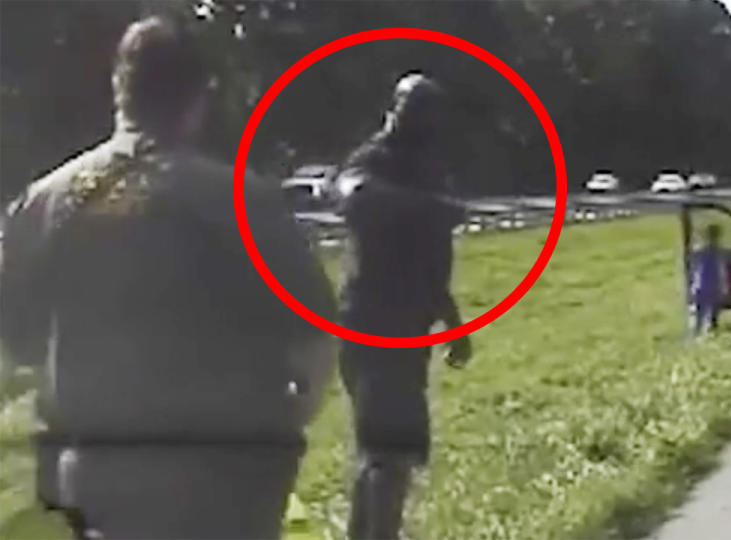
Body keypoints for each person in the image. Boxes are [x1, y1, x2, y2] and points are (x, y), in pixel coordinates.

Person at [0, 17, 336, 539]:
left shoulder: (46, 202)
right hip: (225, 476)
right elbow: (314, 332)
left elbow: (17, 339)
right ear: (198, 97)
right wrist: (295, 410)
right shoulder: (241, 200)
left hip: (93, 473)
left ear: (120, 91)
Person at [336, 72, 472, 540]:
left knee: (385, 453)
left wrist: (454, 323)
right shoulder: (372, 159)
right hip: (372, 323)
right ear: (395, 110)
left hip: (411, 327)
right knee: (387, 454)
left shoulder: (427, 169)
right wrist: (429, 208)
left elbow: (430, 262)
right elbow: (351, 195)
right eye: (417, 110)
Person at [689, 224, 727, 334]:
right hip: (713, 285)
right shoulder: (718, 252)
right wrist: (724, 286)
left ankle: (698, 333)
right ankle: (710, 331)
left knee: (700, 314)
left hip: (702, 285)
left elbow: (695, 269)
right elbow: (721, 269)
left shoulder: (700, 251)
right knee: (713, 314)